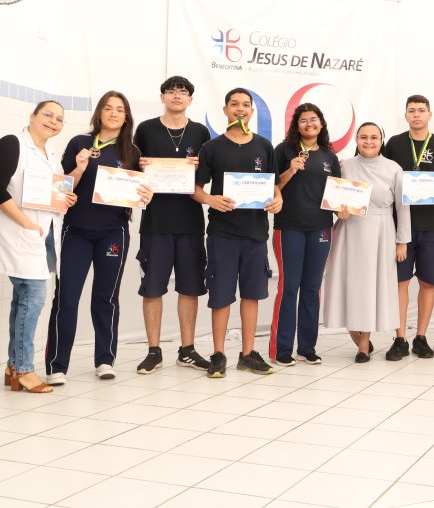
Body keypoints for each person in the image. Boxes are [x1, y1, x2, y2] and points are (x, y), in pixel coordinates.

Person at [45, 91, 152, 385]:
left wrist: (146, 194)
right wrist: (79, 167)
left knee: (106, 298)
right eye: (108, 108)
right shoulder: (79, 143)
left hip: (113, 232)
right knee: (66, 297)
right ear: (99, 113)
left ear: (126, 117)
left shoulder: (132, 151)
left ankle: (105, 359)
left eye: (120, 109)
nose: (114, 113)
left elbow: (139, 194)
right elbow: (62, 188)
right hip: (76, 231)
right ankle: (56, 365)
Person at [0, 101, 77, 393]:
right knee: (33, 300)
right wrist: (27, 224)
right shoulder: (12, 143)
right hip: (19, 233)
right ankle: (24, 369)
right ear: (32, 116)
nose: (53, 121)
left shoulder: (52, 154)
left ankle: (13, 366)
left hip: (41, 235)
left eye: (59, 119)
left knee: (23, 300)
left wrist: (66, 199)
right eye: (48, 115)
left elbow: (51, 196)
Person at [192, 88, 283, 378]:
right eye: (234, 104)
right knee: (221, 295)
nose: (240, 109)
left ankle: (247, 354)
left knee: (252, 295)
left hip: (256, 233)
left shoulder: (264, 146)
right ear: (226, 110)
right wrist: (210, 199)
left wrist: (278, 199)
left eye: (245, 105)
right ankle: (219, 354)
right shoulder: (212, 147)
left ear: (252, 111)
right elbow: (195, 188)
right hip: (222, 233)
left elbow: (274, 186)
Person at [132, 76, 211, 375]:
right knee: (152, 288)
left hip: (190, 222)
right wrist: (139, 166)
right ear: (162, 96)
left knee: (190, 287)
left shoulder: (200, 132)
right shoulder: (146, 129)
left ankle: (187, 350)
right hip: (155, 222)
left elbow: (206, 176)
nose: (177, 96)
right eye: (171, 91)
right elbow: (131, 168)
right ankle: (153, 351)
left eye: (183, 92)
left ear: (190, 99)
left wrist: (198, 167)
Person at [324, 123, 411, 362]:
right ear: (356, 140)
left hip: (380, 233)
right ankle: (356, 334)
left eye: (374, 137)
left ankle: (363, 346)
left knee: (369, 287)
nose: (369, 142)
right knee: (346, 285)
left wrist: (402, 241)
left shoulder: (393, 168)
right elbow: (333, 200)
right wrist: (337, 211)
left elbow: (403, 207)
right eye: (363, 137)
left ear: (381, 140)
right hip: (349, 231)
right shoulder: (344, 166)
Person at [382, 95, 434, 360]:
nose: (416, 115)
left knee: (428, 283)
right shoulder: (394, 144)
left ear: (429, 114)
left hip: (432, 226)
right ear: (405, 115)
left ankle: (421, 337)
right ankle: (400, 338)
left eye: (421, 110)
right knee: (400, 282)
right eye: (412, 110)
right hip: (399, 228)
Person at [269, 103, 341, 367]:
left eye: (314, 119)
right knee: (289, 287)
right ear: (296, 125)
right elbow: (271, 187)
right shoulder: (283, 150)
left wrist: (344, 209)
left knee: (312, 288)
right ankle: (281, 349)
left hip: (321, 227)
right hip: (289, 227)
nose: (309, 124)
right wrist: (290, 169)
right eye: (303, 120)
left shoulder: (329, 156)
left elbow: (337, 194)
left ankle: (307, 348)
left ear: (321, 123)